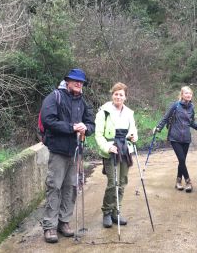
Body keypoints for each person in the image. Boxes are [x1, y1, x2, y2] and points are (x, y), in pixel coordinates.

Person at [41, 68, 95, 243]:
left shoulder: (82, 102)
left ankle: (64, 222)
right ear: (67, 81)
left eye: (81, 82)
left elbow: (91, 123)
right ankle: (49, 226)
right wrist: (71, 127)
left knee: (70, 188)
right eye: (75, 81)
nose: (78, 84)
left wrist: (86, 128)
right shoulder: (54, 97)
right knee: (54, 187)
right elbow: (49, 120)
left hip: (75, 152)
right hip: (58, 151)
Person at [95, 82, 138, 228]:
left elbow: (133, 130)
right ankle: (106, 212)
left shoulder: (129, 113)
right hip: (111, 150)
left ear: (125, 97)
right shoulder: (103, 112)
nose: (118, 97)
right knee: (113, 183)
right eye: (116, 94)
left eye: (121, 94)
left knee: (122, 182)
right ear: (112, 95)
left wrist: (133, 137)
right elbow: (98, 135)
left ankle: (116, 211)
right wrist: (107, 147)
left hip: (125, 149)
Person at [154, 86, 197, 192]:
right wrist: (158, 127)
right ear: (182, 95)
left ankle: (178, 181)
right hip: (175, 137)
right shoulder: (175, 106)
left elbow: (192, 123)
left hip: (186, 138)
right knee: (181, 159)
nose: (188, 95)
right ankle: (188, 181)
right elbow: (166, 118)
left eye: (190, 93)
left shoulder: (191, 108)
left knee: (182, 161)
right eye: (186, 93)